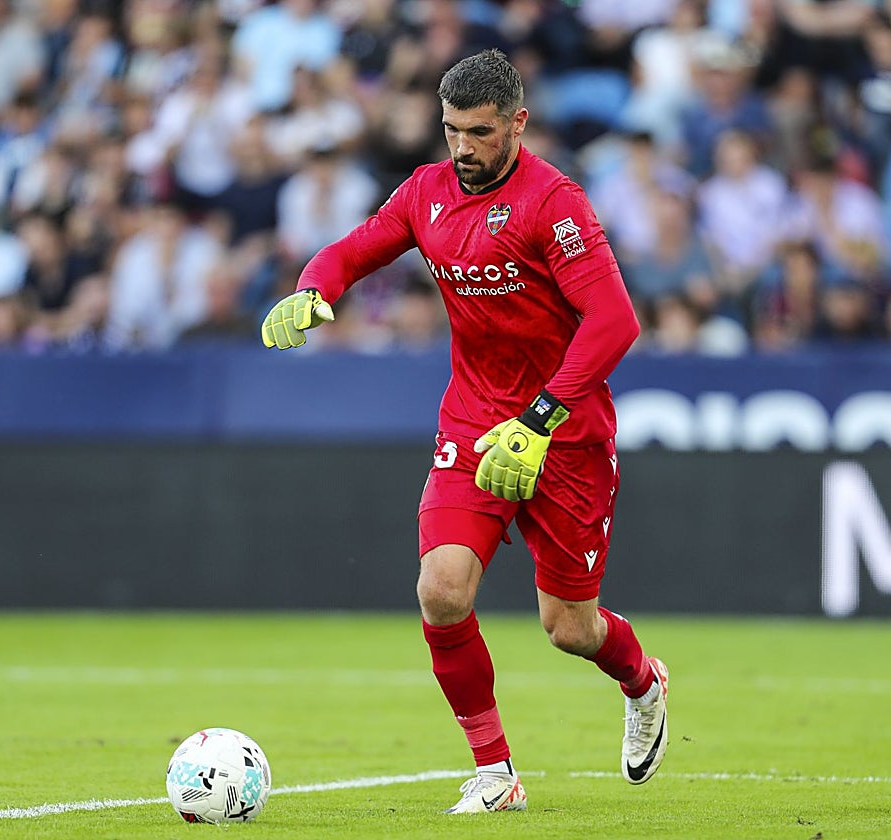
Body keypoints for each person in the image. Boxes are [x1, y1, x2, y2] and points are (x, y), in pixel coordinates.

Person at [260, 49, 668, 814]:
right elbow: (355, 247)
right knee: (442, 591)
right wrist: (316, 289)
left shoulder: (556, 203)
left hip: (564, 432)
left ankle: (643, 682)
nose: (463, 149)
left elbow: (616, 321)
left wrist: (542, 420)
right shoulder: (427, 192)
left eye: (479, 133)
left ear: (516, 122)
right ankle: (495, 772)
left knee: (569, 627)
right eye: (451, 131)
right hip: (475, 421)